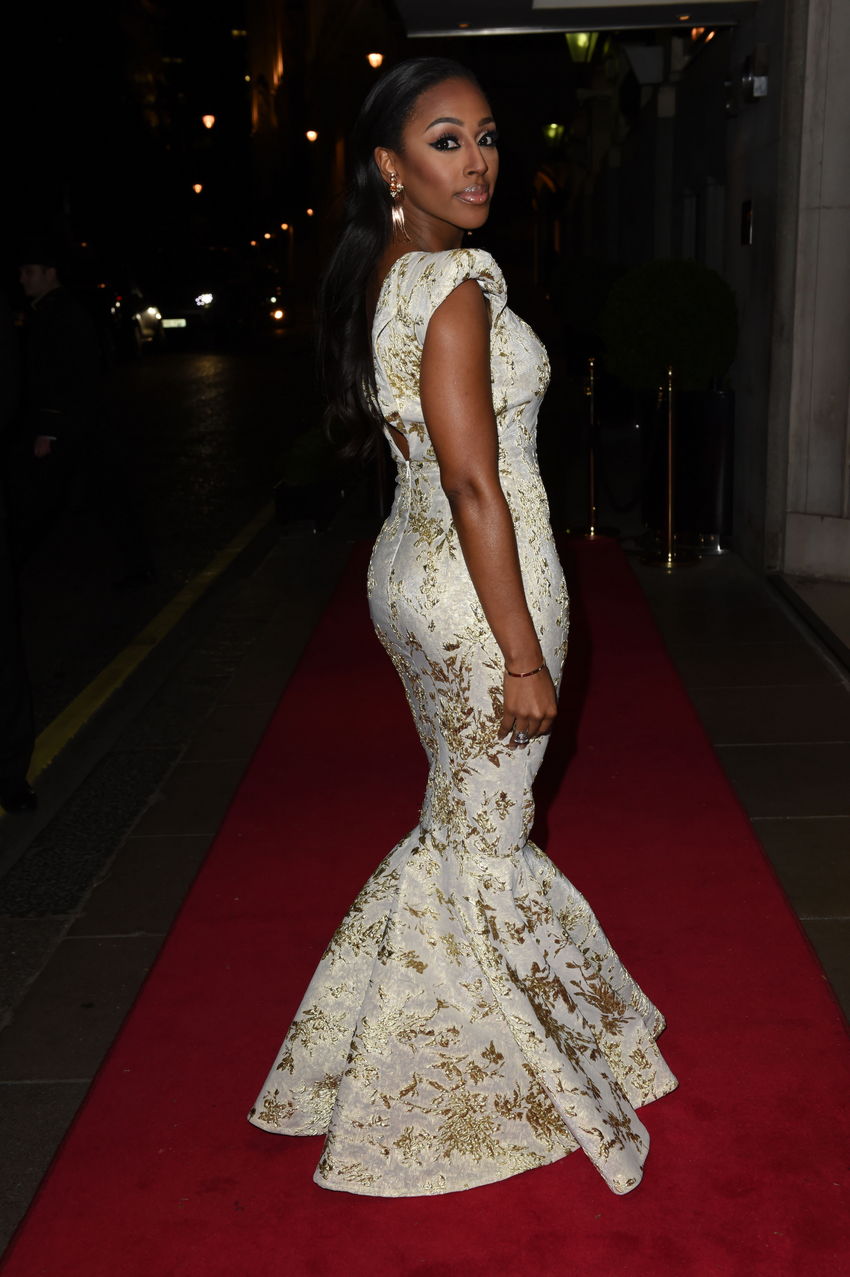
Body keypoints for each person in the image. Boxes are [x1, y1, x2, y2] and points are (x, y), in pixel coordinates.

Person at [249, 58, 677, 1197]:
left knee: (464, 820)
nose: (478, 161)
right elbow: (477, 481)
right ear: (389, 167)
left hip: (412, 570)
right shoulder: (454, 288)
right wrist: (524, 658)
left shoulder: (384, 273)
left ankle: (375, 1045)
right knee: (480, 841)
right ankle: (449, 1088)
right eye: (445, 141)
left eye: (485, 136)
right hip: (482, 591)